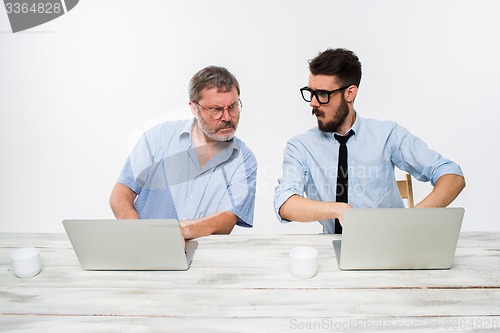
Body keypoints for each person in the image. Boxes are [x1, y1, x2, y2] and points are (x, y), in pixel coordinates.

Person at [274, 48, 465, 234]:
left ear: (350, 93)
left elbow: (452, 176)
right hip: (334, 248)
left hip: (391, 244)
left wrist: (412, 221)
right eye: (310, 92)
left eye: (323, 94)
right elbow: (285, 203)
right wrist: (338, 209)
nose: (313, 103)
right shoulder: (301, 146)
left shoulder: (388, 134)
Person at [110, 66, 257, 239]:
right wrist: (137, 231)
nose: (226, 117)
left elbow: (228, 219)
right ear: (194, 108)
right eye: (216, 110)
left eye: (232, 106)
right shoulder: (159, 138)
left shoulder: (244, 159)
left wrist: (180, 233)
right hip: (144, 251)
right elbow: (121, 193)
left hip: (203, 259)